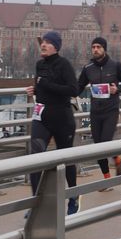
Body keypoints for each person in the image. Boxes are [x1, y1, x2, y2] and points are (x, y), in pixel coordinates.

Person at [26, 31, 80, 215]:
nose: (43, 45)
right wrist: (34, 90)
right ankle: (36, 204)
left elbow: (73, 90)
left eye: (48, 43)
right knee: (35, 157)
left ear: (56, 47)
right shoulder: (39, 64)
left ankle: (73, 196)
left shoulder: (63, 64)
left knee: (65, 160)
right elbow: (40, 86)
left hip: (62, 118)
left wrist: (46, 85)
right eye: (43, 42)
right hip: (41, 117)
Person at [77, 37, 121, 184]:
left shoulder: (115, 66)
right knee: (97, 147)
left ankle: (116, 159)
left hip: (111, 111)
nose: (95, 49)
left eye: (98, 47)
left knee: (105, 142)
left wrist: (117, 89)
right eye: (93, 47)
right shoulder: (88, 68)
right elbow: (78, 87)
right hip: (95, 112)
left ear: (104, 49)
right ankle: (107, 177)